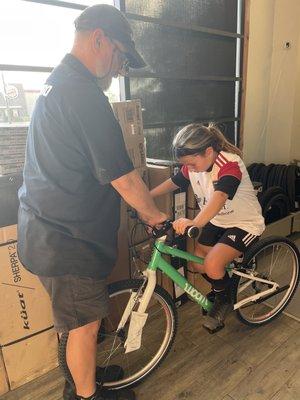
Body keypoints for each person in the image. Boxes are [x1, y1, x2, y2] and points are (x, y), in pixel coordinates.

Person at [17, 5, 167, 400]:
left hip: (46, 232)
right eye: (120, 55)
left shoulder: (57, 83)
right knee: (83, 324)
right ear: (98, 38)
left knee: (72, 322)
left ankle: (80, 379)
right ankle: (86, 395)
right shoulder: (82, 94)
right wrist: (154, 217)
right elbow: (121, 174)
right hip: (68, 242)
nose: (120, 69)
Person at [150, 123, 265, 333]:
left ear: (209, 152)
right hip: (219, 220)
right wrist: (146, 198)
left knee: (212, 264)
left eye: (192, 164)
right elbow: (173, 182)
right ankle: (223, 287)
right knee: (198, 264)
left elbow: (220, 197)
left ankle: (224, 299)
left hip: (245, 224)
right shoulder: (194, 166)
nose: (190, 169)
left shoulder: (229, 164)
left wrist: (195, 222)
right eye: (187, 165)